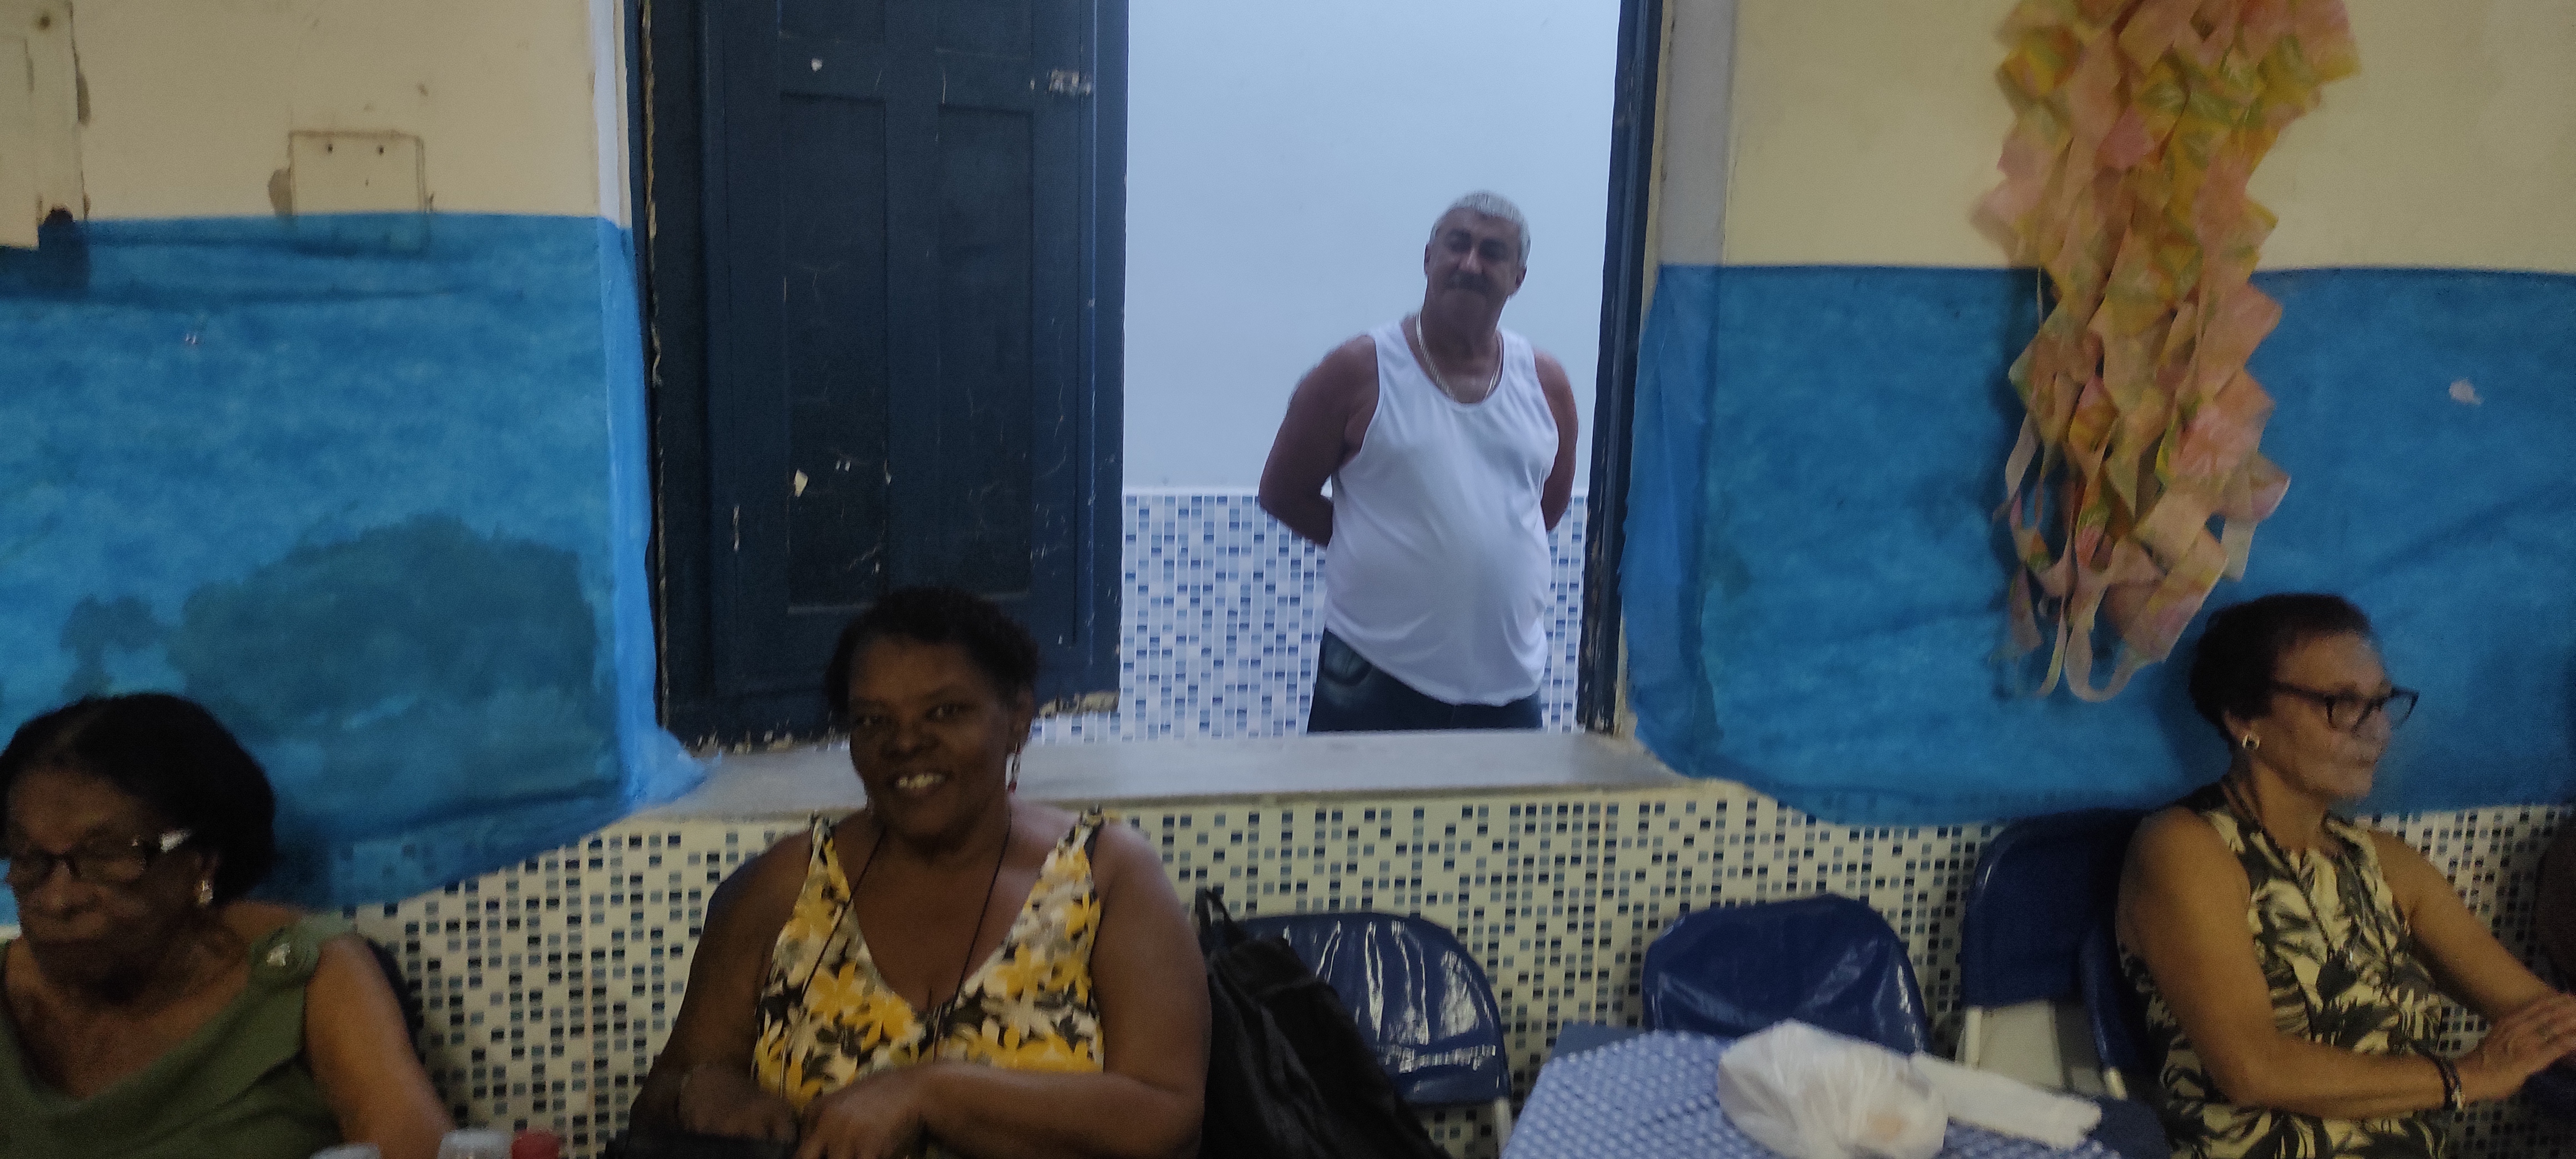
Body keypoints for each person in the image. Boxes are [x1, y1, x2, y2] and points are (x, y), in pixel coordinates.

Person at [633, 586, 1208, 1159]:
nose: (905, 742)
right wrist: (700, 1091)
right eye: (872, 720)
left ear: (1017, 718)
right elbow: (665, 1090)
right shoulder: (787, 886)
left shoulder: (1103, 876)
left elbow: (1166, 1114)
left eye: (945, 712)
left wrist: (934, 1093)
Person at [2118, 594, 2576, 1158]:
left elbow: (2539, 1014)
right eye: (2341, 704)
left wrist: (2536, 1045)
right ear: (2243, 718)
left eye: (2380, 703)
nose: (2376, 731)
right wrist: (2466, 1076)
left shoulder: (2384, 863)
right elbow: (2252, 1068)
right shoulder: (2184, 849)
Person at [0, 693, 452, 1158]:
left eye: (106, 855)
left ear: (202, 863)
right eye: (28, 858)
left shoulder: (305, 974)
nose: (56, 900)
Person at [1257, 191, 1582, 733]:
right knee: (1354, 797)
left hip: (1508, 688)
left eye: (1492, 253)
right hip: (1374, 676)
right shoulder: (1358, 371)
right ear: (1428, 258)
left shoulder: (1546, 384)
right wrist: (1379, 538)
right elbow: (1282, 492)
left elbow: (1543, 510)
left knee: (1509, 800)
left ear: (1518, 278)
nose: (1470, 263)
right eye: (1457, 244)